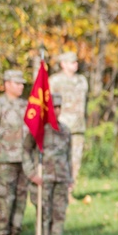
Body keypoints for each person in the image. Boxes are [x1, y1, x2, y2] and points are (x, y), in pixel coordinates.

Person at [23, 93, 73, 235]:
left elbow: (69, 156)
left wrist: (70, 178)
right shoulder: (39, 130)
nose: (56, 111)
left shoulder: (65, 130)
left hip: (61, 177)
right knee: (44, 212)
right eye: (53, 107)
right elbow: (25, 150)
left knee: (58, 212)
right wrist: (31, 173)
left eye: (59, 107)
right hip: (43, 178)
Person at [0, 69, 29, 235]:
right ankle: (2, 234)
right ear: (6, 84)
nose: (21, 86)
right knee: (5, 198)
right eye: (17, 83)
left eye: (22, 83)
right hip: (4, 159)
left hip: (24, 159)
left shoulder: (27, 105)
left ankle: (14, 233)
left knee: (20, 198)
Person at [49, 51, 89, 190]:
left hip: (78, 126)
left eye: (76, 61)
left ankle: (70, 190)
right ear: (63, 64)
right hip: (61, 126)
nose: (76, 64)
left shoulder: (82, 80)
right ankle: (59, 189)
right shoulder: (54, 81)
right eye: (72, 62)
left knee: (75, 159)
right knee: (60, 158)